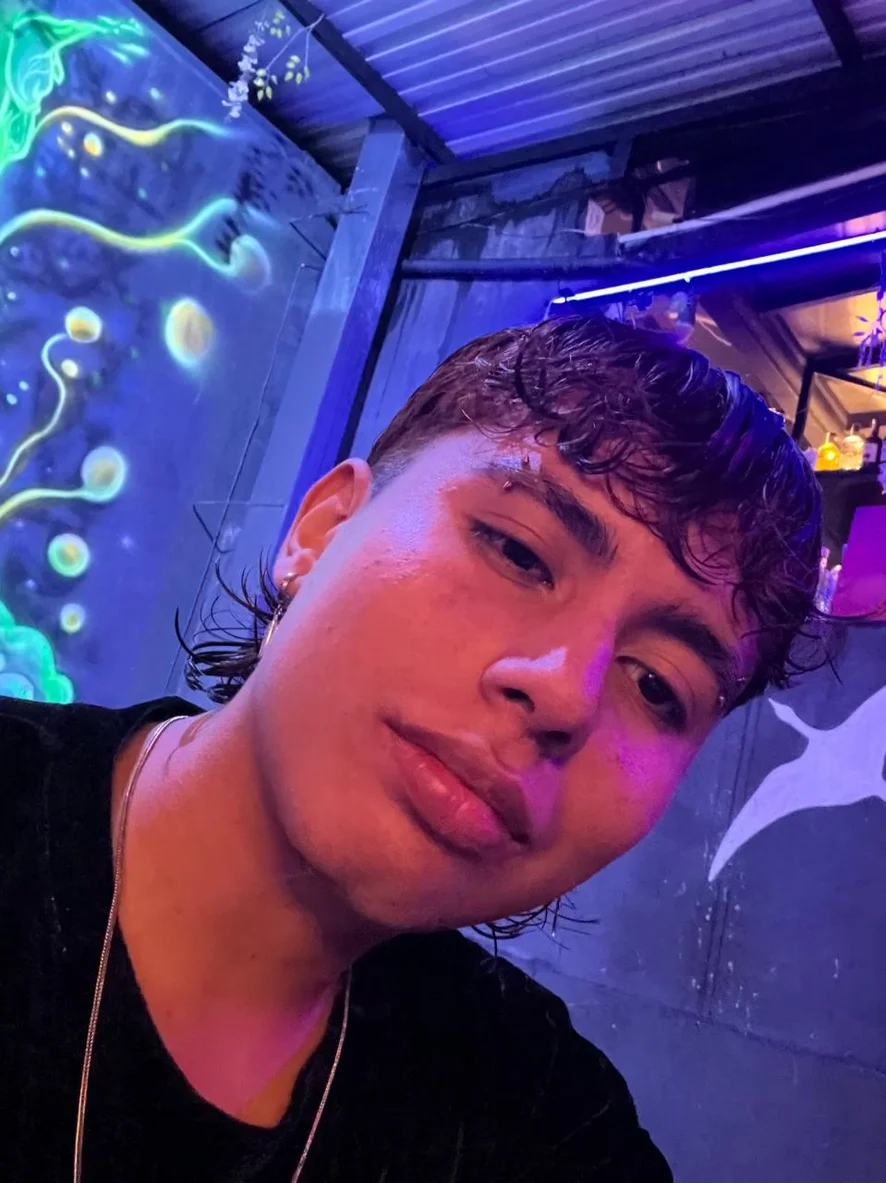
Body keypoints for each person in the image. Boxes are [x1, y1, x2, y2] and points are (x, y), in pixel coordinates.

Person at [1, 314, 823, 1182]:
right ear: (321, 531)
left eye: (656, 684)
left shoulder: (536, 1115)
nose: (565, 692)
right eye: (518, 552)